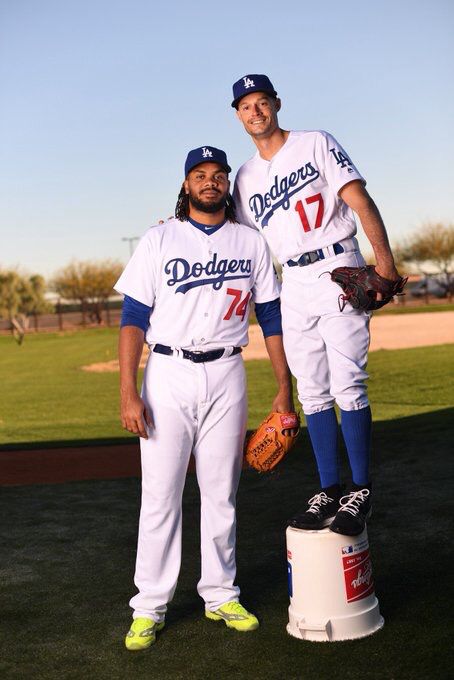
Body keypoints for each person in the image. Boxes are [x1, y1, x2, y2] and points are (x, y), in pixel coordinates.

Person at [115, 145, 294, 651]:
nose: (210, 182)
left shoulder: (250, 242)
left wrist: (284, 385)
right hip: (168, 372)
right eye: (200, 174)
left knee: (222, 494)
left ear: (226, 184)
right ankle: (149, 605)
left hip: (227, 373)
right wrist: (129, 391)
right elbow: (133, 318)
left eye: (218, 175)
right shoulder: (159, 238)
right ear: (187, 184)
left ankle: (220, 594)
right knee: (161, 496)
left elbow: (272, 318)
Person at [231, 74, 404, 537]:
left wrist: (384, 265)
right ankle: (329, 489)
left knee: (348, 384)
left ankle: (360, 490)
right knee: (312, 392)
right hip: (294, 281)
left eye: (262, 102)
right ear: (238, 115)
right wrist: (179, 222)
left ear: (277, 104)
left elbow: (359, 200)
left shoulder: (315, 143)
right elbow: (234, 235)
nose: (256, 111)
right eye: (246, 106)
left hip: (337, 268)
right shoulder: (245, 179)